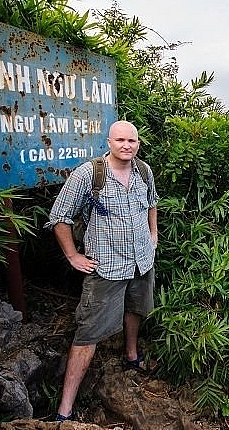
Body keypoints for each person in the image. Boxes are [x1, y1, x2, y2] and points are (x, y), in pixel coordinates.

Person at [44, 120, 159, 421]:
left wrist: (153, 235)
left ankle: (131, 356)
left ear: (137, 144)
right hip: (106, 267)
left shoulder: (144, 171)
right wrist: (73, 256)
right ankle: (65, 410)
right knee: (88, 333)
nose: (126, 146)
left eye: (132, 141)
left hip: (141, 261)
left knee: (136, 309)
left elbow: (152, 203)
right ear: (108, 142)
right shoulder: (88, 174)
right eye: (120, 140)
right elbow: (59, 217)